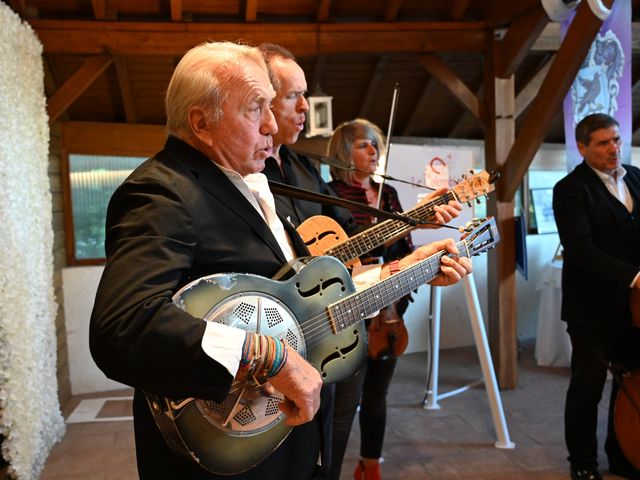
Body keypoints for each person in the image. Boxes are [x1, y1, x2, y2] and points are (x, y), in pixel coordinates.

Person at [89, 41, 472, 480]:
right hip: (228, 450)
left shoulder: (250, 183)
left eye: (273, 106)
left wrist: (401, 273)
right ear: (201, 122)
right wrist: (270, 357)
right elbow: (122, 329)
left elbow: (303, 299)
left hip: (291, 436)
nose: (273, 124)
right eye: (257, 108)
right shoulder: (163, 192)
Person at [327, 118, 453, 480]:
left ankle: (370, 464)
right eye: (364, 144)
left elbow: (404, 247)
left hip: (389, 305)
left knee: (377, 392)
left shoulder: (390, 194)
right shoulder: (327, 193)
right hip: (346, 306)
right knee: (341, 400)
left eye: (376, 145)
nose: (374, 151)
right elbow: (337, 248)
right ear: (343, 151)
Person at [552, 113, 640, 480]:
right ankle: (583, 465)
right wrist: (633, 276)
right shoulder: (570, 189)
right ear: (583, 147)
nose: (614, 148)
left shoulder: (635, 177)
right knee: (587, 389)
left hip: (635, 308)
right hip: (591, 308)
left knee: (630, 384)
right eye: (604, 143)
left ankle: (622, 455)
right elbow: (580, 249)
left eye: (617, 140)